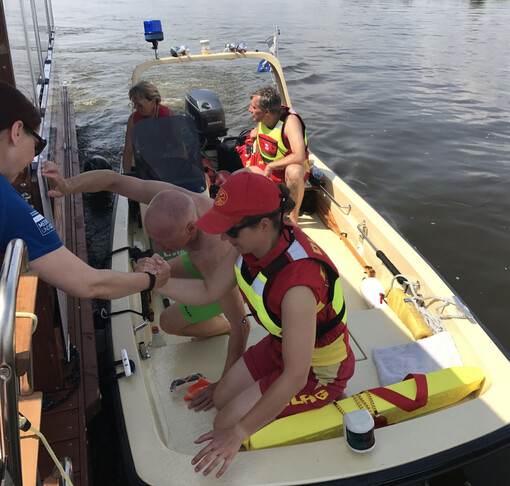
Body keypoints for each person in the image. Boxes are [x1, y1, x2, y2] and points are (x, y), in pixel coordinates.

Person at [153, 172, 355, 478]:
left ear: (263, 224)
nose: (223, 238)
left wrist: (239, 432)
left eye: (230, 230)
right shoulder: (247, 243)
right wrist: (156, 282)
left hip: (317, 370)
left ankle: (328, 397)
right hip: (280, 346)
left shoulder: (299, 287)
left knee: (225, 424)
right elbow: (208, 291)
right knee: (220, 398)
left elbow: (296, 375)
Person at [42, 162, 248, 408]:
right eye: (155, 239)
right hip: (198, 263)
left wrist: (223, 386)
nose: (157, 248)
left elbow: (242, 325)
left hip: (224, 279)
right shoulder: (174, 199)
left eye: (164, 241)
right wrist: (68, 185)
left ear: (191, 229)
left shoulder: (214, 254)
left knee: (168, 322)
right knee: (159, 271)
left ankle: (219, 328)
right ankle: (202, 316)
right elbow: (112, 180)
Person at [0, 81, 170, 300]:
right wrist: (152, 279)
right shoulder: (7, 202)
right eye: (38, 145)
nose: (33, 157)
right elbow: (89, 284)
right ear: (17, 131)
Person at [244, 86, 310, 226]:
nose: (250, 110)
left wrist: (271, 166)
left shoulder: (290, 122)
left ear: (266, 111)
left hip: (286, 170)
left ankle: (292, 220)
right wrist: (255, 131)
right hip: (267, 167)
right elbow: (268, 131)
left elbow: (299, 156)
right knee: (237, 178)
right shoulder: (265, 118)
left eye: (253, 107)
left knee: (294, 171)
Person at [122, 80, 174, 173]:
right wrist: (126, 174)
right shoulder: (133, 119)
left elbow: (179, 147)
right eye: (134, 103)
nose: (135, 107)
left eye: (139, 104)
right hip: (145, 161)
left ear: (153, 101)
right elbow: (128, 150)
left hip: (167, 161)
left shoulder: (170, 116)